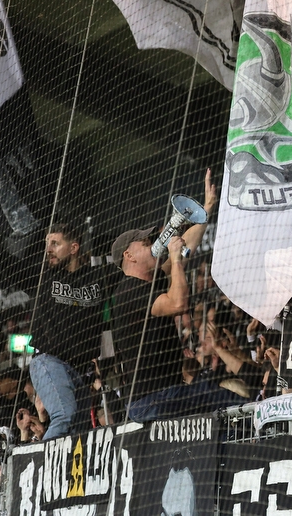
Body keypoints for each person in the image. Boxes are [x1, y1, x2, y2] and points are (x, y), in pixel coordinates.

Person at [0, 209, 105, 441]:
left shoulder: (97, 278)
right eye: (48, 244)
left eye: (55, 243)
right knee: (65, 417)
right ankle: (42, 463)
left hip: (81, 371)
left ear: (74, 248)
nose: (49, 249)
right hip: (49, 362)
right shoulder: (41, 275)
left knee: (80, 431)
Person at [112, 170, 243, 422]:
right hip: (152, 400)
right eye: (145, 243)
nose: (151, 244)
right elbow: (179, 303)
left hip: (164, 395)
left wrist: (206, 209)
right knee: (231, 405)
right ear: (129, 256)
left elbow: (187, 247)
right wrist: (174, 259)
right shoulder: (130, 291)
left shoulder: (150, 280)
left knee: (221, 403)